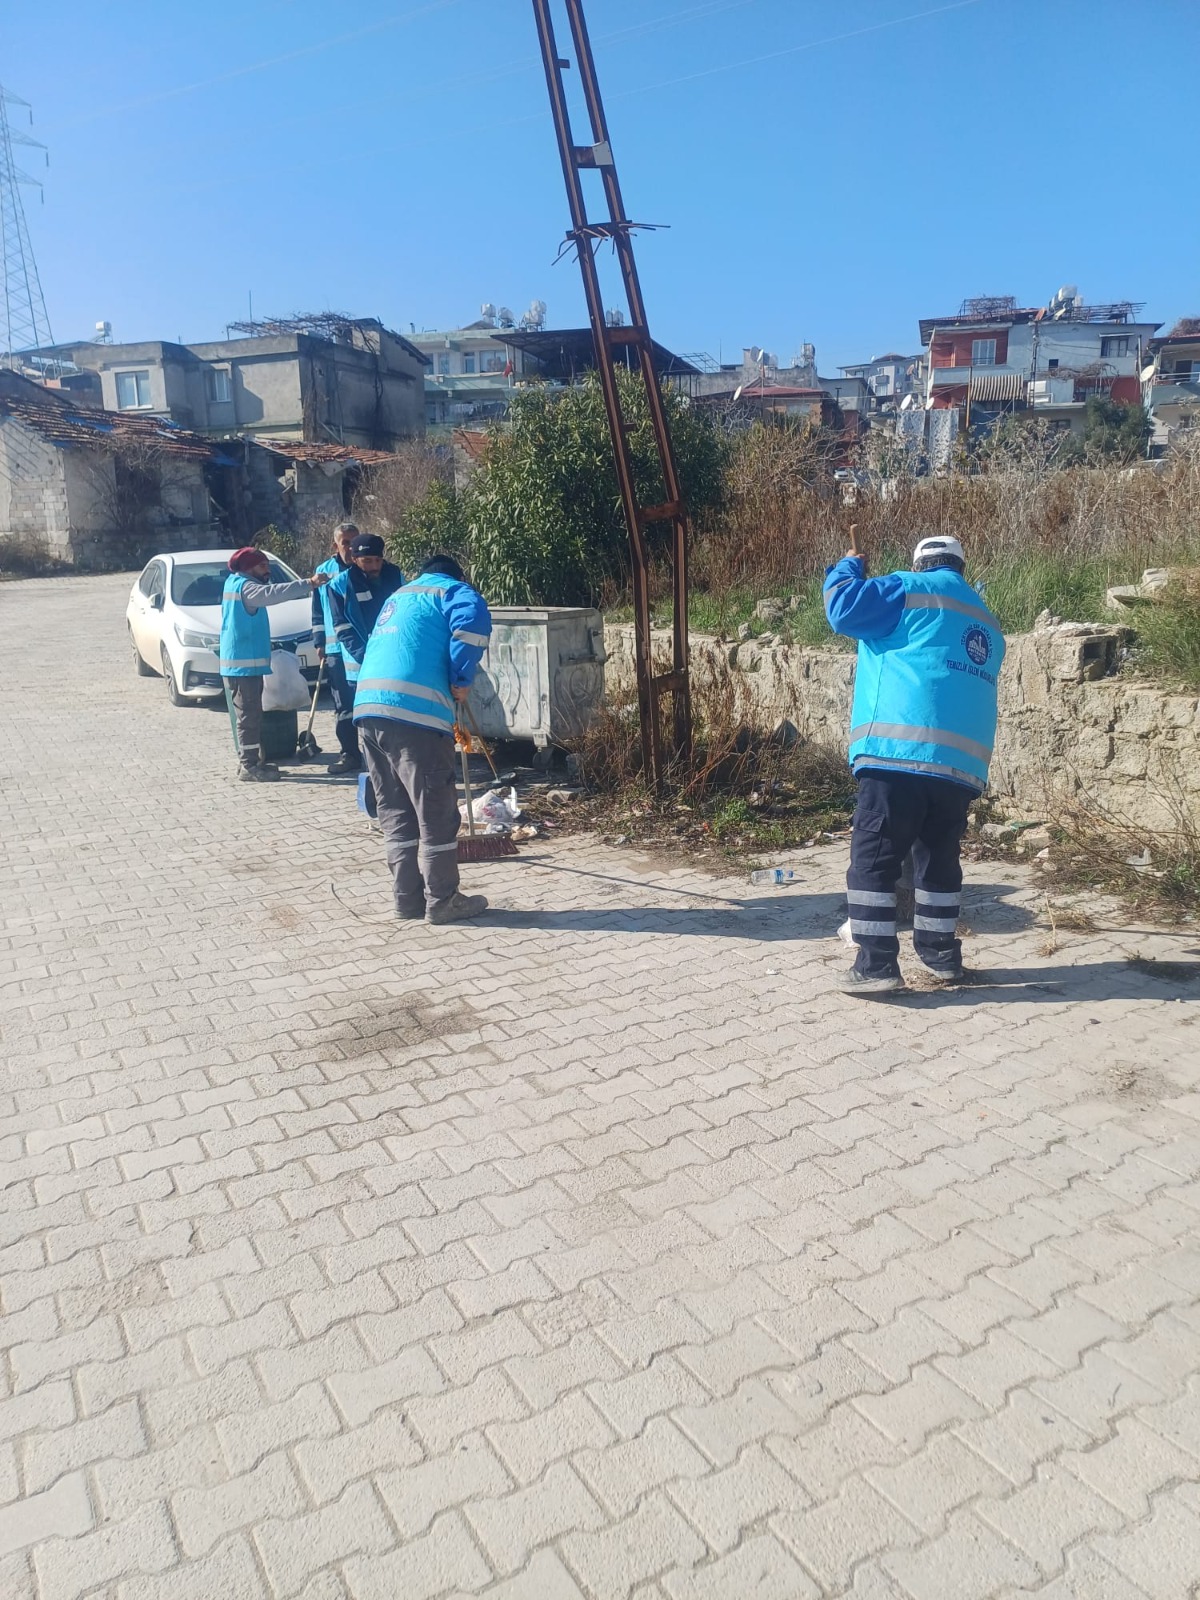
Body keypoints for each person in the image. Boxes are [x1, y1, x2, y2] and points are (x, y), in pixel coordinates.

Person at [823, 534, 1005, 995]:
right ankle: (941, 956)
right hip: (961, 767)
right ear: (961, 567)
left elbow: (842, 610)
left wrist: (847, 566)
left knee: (875, 861)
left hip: (898, 754)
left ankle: (876, 966)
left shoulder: (909, 588)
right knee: (939, 862)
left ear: (921, 563)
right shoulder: (986, 619)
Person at [353, 553, 492, 924]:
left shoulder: (399, 597)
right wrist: (461, 681)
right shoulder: (455, 592)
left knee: (395, 809)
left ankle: (407, 901)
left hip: (368, 711)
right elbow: (471, 626)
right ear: (457, 575)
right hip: (414, 714)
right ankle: (443, 901)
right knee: (436, 811)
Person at [220, 548, 329, 782]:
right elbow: (272, 594)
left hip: (242, 664)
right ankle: (249, 766)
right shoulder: (246, 587)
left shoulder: (234, 584)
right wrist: (308, 583)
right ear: (249, 567)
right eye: (262, 566)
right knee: (249, 716)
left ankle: (251, 761)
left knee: (250, 714)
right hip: (243, 666)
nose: (267, 571)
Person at [324, 533, 406, 775]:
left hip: (393, 657)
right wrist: (365, 655)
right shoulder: (340, 585)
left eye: (377, 561)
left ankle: (395, 760)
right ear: (355, 558)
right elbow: (342, 627)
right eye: (367, 561)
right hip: (359, 663)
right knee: (365, 716)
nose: (373, 566)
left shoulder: (395, 575)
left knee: (392, 710)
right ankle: (369, 764)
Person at [311, 522, 358, 770]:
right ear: (335, 545)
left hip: (362, 647)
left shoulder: (367, 566)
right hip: (336, 650)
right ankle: (350, 753)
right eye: (346, 543)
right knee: (343, 705)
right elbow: (317, 611)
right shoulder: (324, 571)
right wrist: (319, 641)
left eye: (354, 541)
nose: (351, 548)